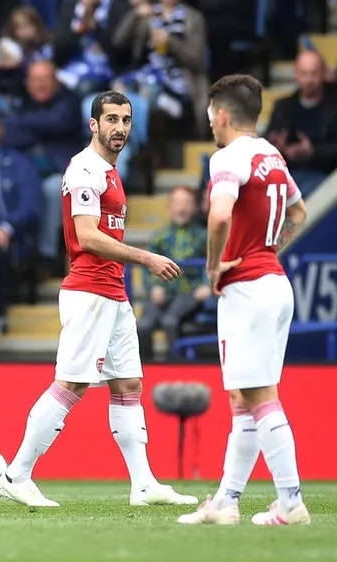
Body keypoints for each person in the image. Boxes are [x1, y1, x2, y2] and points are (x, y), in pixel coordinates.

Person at [0, 91, 198, 508]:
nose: (119, 127)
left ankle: (143, 485)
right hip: (89, 292)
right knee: (71, 384)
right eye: (111, 119)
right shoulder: (85, 169)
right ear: (93, 124)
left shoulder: (109, 170)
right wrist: (146, 257)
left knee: (128, 384)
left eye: (126, 120)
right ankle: (16, 474)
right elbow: (87, 236)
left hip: (113, 292)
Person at [177, 75, 311, 526]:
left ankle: (290, 501)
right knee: (244, 397)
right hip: (272, 282)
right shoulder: (271, 155)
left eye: (210, 115)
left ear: (221, 115)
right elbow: (298, 212)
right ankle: (226, 501)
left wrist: (214, 266)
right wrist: (269, 248)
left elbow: (219, 215)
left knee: (260, 396)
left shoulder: (227, 157)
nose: (209, 123)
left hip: (248, 290)